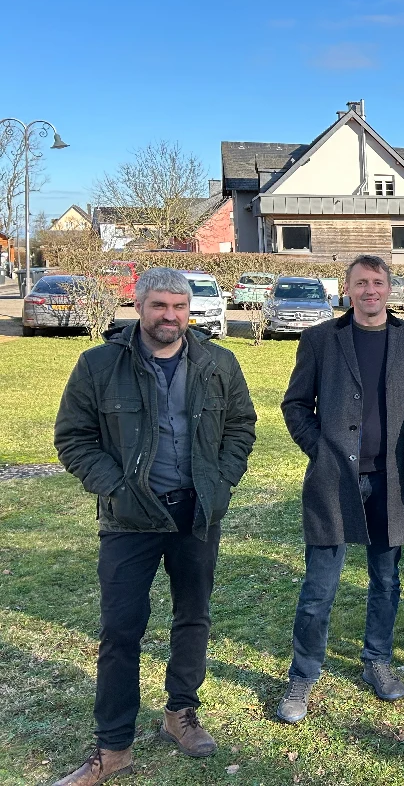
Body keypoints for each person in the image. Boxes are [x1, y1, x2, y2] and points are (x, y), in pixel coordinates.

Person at [52, 267, 257, 786]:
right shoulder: (99, 365)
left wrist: (223, 481)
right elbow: (74, 437)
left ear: (191, 311)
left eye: (179, 308)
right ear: (139, 306)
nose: (170, 317)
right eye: (160, 306)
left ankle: (180, 714)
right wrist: (118, 488)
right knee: (121, 630)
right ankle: (113, 746)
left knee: (193, 617)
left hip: (197, 514)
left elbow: (240, 425)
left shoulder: (218, 362)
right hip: (130, 520)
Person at [277, 255, 404, 723]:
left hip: (393, 482)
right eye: (360, 283)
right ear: (347, 290)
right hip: (334, 480)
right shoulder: (321, 339)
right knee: (319, 586)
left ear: (390, 288)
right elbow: (295, 404)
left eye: (377, 282)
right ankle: (303, 676)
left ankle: (377, 661)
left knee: (385, 580)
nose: (370, 291)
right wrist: (321, 451)